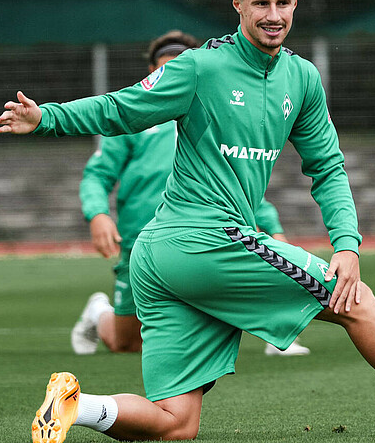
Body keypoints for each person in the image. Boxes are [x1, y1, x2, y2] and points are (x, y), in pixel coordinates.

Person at [0, 0, 375, 442]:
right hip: (199, 239)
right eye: (260, 4)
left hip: (163, 257)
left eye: (282, 3)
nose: (273, 14)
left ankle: (75, 406)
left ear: (296, 4)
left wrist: (347, 243)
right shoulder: (199, 67)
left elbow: (327, 166)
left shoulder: (302, 78)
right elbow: (123, 108)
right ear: (237, 6)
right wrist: (46, 119)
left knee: (175, 425)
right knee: (353, 300)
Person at [72, 30, 309, 357]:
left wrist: (271, 225)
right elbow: (97, 174)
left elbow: (241, 179)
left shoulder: (215, 116)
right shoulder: (137, 120)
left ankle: (279, 337)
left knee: (243, 275)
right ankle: (99, 312)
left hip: (206, 230)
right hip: (141, 240)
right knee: (127, 343)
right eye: (162, 70)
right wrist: (97, 213)